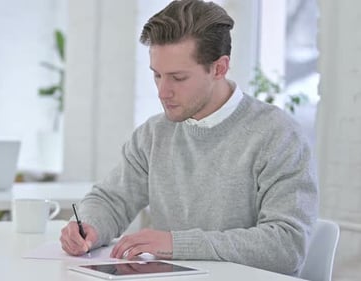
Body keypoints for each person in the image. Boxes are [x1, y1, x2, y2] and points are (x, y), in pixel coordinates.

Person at [60, 0, 318, 276]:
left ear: (219, 68)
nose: (162, 91)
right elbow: (111, 199)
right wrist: (90, 226)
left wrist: (176, 243)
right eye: (157, 75)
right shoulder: (154, 134)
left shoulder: (277, 135)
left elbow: (286, 246)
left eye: (178, 78)